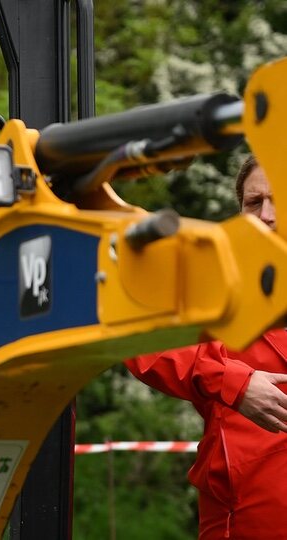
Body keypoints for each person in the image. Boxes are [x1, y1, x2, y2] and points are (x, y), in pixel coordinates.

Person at [125, 154, 287, 539]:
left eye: (278, 199)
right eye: (253, 202)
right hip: (247, 519)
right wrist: (234, 381)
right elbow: (143, 337)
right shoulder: (214, 282)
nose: (265, 215)